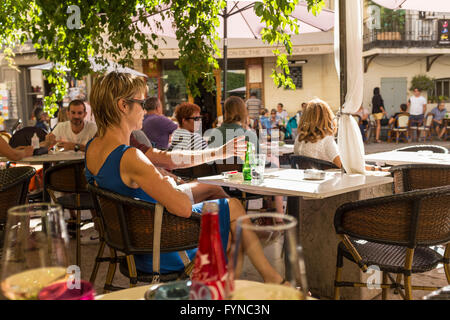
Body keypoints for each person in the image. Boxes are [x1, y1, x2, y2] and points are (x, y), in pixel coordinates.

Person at [85, 72, 285, 284]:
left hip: (133, 246)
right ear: (123, 106)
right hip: (161, 250)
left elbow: (165, 160)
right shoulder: (130, 157)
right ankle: (260, 281)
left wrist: (215, 155)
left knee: (216, 196)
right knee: (233, 206)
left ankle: (248, 278)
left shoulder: (93, 148)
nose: (145, 110)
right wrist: (165, 180)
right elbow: (182, 208)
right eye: (142, 103)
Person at [294, 99, 342, 168]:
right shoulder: (326, 139)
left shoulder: (299, 138)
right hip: (326, 177)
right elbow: (343, 166)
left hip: (305, 176)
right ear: (327, 116)